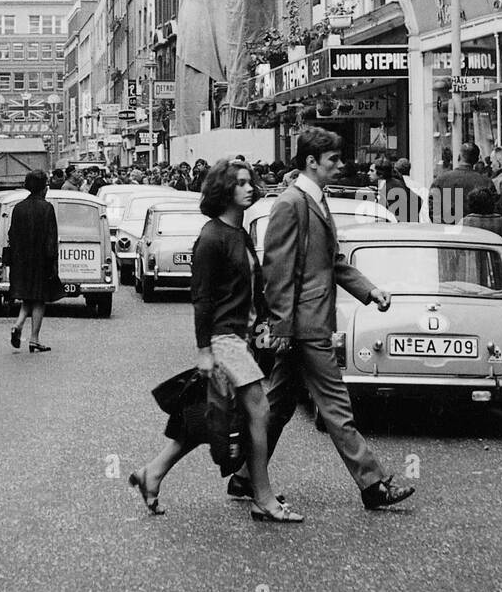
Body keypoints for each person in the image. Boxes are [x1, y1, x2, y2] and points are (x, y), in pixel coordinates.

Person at [129, 159, 300, 522]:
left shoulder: (239, 233)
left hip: (241, 337)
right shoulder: (211, 237)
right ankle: (263, 498)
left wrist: (265, 321)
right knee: (259, 411)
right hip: (224, 340)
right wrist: (204, 350)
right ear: (224, 191)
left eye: (249, 181)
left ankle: (152, 474)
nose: (248, 187)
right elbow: (202, 298)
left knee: (211, 418)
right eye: (239, 183)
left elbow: (251, 289)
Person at [262, 127, 415, 511]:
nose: (341, 165)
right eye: (334, 160)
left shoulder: (317, 199)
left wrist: (369, 290)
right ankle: (373, 483)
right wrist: (282, 328)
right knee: (336, 406)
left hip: (307, 323)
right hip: (305, 325)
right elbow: (277, 272)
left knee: (279, 406)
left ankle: (246, 475)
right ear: (311, 162)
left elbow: (332, 262)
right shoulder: (290, 203)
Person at [6, 170, 62, 354]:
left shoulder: (18, 207)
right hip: (40, 260)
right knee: (39, 299)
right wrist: (53, 262)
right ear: (42, 188)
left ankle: (18, 324)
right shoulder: (47, 208)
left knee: (27, 296)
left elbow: (11, 235)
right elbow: (51, 239)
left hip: (21, 260)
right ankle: (34, 339)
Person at [427, 141, 489, 225]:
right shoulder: (486, 182)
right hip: (478, 233)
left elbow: (433, 210)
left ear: (459, 157)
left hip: (449, 233)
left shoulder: (441, 180)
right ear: (477, 160)